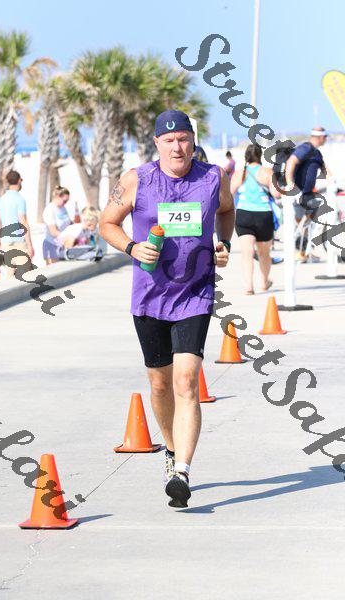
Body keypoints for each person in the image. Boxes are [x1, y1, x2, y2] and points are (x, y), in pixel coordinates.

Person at [100, 109, 234, 508]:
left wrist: (223, 243)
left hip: (195, 292)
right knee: (160, 384)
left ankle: (183, 472)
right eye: (169, 140)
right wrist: (131, 247)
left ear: (193, 140)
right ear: (157, 143)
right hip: (149, 296)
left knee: (186, 381)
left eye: (184, 139)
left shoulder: (214, 178)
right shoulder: (136, 180)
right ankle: (172, 452)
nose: (178, 147)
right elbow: (107, 223)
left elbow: (227, 211)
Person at [231, 143, 281, 295]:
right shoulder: (267, 172)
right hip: (263, 215)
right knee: (264, 254)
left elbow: (231, 192)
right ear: (260, 156)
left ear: (246, 156)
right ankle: (264, 283)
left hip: (244, 214)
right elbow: (276, 194)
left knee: (247, 253)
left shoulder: (239, 173)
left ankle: (249, 287)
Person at [285, 126, 328, 262]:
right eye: (325, 137)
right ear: (320, 137)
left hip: (308, 194)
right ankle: (295, 252)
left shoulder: (317, 153)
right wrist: (290, 184)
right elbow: (291, 162)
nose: (326, 139)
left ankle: (304, 252)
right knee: (297, 223)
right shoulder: (306, 148)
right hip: (298, 193)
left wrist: (334, 184)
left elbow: (326, 171)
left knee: (309, 223)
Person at [0, 170, 34, 278]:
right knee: (27, 275)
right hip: (19, 242)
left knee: (10, 276)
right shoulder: (19, 199)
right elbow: (23, 222)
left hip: (6, 243)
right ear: (19, 180)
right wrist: (30, 245)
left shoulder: (1, 200)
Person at [42, 186, 72, 265]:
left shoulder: (63, 208)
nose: (65, 203)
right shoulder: (49, 209)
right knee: (54, 270)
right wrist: (67, 238)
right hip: (52, 245)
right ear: (57, 197)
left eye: (67, 201)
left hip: (63, 245)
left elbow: (67, 223)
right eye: (64, 201)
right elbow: (53, 231)